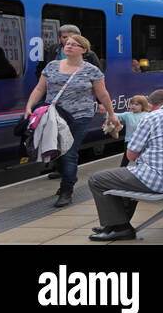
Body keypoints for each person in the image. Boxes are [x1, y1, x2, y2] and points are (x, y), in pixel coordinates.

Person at [87, 90, 163, 241]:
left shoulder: (152, 117)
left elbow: (131, 155)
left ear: (150, 105)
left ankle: (120, 227)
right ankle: (114, 224)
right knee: (125, 177)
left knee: (97, 179)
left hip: (162, 181)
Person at [24, 34, 119, 207]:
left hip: (80, 116)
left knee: (68, 151)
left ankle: (66, 190)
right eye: (67, 44)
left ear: (84, 50)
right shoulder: (52, 66)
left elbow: (102, 93)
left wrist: (111, 114)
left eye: (74, 45)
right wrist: (29, 106)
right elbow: (39, 88)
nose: (68, 47)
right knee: (55, 149)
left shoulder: (92, 70)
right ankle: (69, 177)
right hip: (54, 116)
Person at [35, 24, 101, 78]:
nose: (68, 40)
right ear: (59, 38)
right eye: (64, 37)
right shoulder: (51, 50)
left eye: (72, 37)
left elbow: (98, 75)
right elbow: (40, 71)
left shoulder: (89, 54)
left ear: (79, 38)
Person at [113, 94, 150, 166]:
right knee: (126, 157)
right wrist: (107, 112)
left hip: (142, 141)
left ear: (143, 105)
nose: (133, 106)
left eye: (136, 104)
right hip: (129, 141)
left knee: (141, 158)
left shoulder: (147, 115)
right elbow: (116, 116)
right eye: (132, 104)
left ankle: (141, 170)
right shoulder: (128, 115)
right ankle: (122, 170)